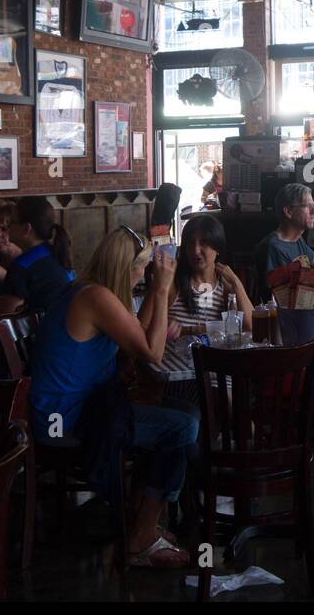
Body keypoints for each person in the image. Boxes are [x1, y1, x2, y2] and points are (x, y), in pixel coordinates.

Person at [28, 227, 196, 567]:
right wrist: (162, 290)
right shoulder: (97, 298)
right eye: (143, 267)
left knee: (187, 413)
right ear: (126, 268)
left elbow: (137, 335)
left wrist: (154, 289)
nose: (145, 274)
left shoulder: (89, 291)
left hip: (79, 407)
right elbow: (153, 351)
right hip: (62, 420)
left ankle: (139, 519)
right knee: (182, 428)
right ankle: (140, 539)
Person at [166, 214, 251, 334]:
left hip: (212, 353)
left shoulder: (225, 286)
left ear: (218, 249)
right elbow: (146, 328)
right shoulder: (173, 282)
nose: (195, 250)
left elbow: (251, 327)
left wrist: (236, 282)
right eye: (190, 243)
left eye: (204, 243)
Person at [0, 196, 74, 314]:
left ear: (26, 229)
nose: (7, 228)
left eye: (11, 222)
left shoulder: (21, 266)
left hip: (45, 330)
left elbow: (5, 318)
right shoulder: (57, 253)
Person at [254, 182, 314, 299]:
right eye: (308, 207)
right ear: (288, 212)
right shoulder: (273, 247)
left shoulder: (297, 240)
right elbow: (279, 296)